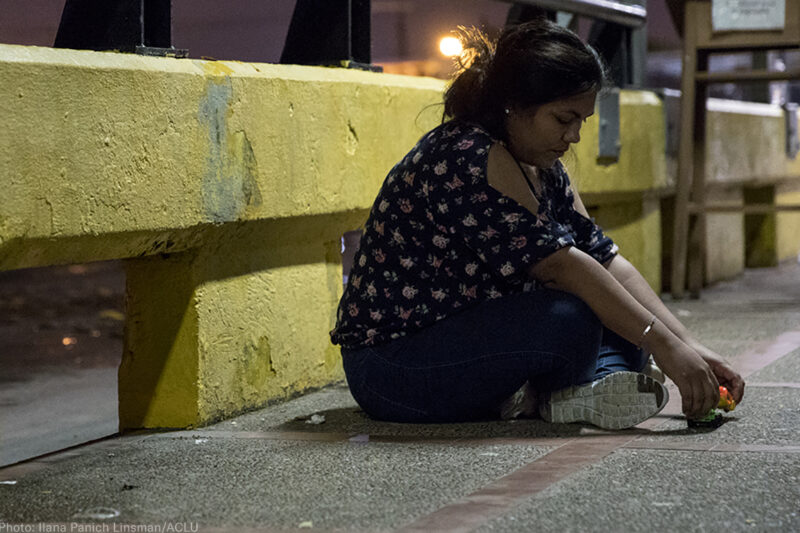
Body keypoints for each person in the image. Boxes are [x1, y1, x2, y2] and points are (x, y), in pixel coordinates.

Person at [329, 19, 745, 429]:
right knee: (575, 315)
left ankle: (570, 391)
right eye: (564, 119)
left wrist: (689, 346)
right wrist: (665, 346)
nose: (575, 136)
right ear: (514, 105)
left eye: (581, 120)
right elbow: (566, 268)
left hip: (472, 338)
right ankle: (565, 389)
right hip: (392, 367)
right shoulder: (465, 157)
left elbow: (604, 260)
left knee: (620, 315)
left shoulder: (538, 162)